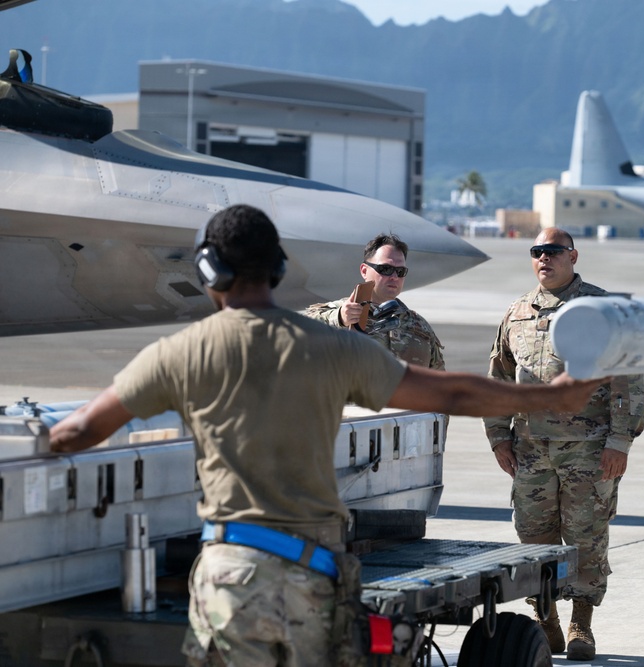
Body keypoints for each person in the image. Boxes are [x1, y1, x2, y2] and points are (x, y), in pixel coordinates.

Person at [48, 205, 604, 667]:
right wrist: (551, 397)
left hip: (229, 575)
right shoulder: (331, 347)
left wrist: (56, 441)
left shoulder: (180, 353)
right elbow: (453, 393)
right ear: (280, 267)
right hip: (314, 574)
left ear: (209, 271)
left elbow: (78, 431)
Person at [483, 227, 644, 661]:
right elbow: (498, 377)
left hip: (588, 451)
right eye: (537, 252)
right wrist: (499, 436)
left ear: (573, 256)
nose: (544, 258)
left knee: (586, 539)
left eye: (553, 251)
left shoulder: (602, 309)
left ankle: (581, 625)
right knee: (534, 539)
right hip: (531, 452)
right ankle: (546, 619)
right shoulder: (517, 312)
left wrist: (619, 441)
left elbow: (627, 378)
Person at [304, 233, 445, 369]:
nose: (394, 277)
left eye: (400, 271)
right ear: (364, 271)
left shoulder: (420, 327)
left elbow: (437, 383)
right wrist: (339, 318)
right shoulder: (338, 313)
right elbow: (299, 333)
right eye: (385, 269)